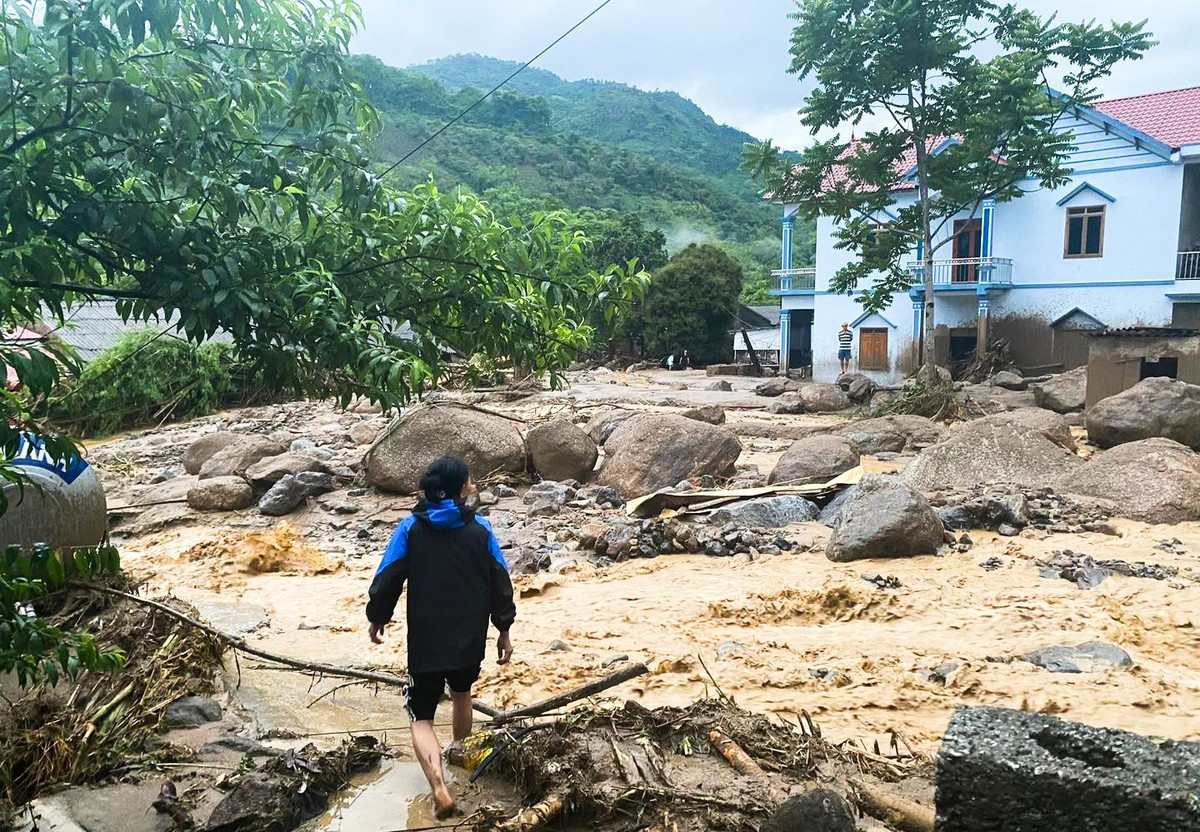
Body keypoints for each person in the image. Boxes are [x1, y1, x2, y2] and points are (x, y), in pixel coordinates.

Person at [366, 456, 515, 819]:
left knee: (421, 717)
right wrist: (504, 629)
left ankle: (438, 786)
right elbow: (500, 581)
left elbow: (388, 576)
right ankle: (459, 769)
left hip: (427, 636)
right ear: (462, 489)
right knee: (462, 695)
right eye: (470, 480)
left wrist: (377, 617)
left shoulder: (410, 529)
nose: (473, 484)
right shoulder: (481, 530)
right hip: (469, 635)